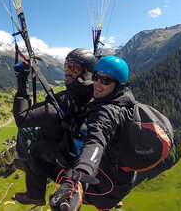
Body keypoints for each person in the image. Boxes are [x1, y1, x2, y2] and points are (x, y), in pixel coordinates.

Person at [49, 55, 138, 211]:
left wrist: (77, 181)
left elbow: (96, 141)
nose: (97, 84)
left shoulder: (108, 112)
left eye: (105, 81)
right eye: (96, 77)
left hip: (110, 187)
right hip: (121, 175)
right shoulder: (120, 98)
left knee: (55, 154)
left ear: (119, 85)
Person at [12, 48, 96, 206]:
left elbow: (22, 118)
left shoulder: (64, 101)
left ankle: (33, 188)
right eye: (66, 67)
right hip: (71, 139)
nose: (68, 72)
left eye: (74, 68)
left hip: (63, 148)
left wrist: (22, 80)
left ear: (85, 72)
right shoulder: (94, 91)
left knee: (28, 138)